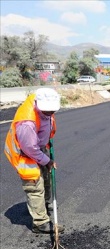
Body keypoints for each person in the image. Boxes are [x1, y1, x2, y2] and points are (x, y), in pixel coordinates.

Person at [4, 88, 65, 234]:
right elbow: (29, 148)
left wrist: (46, 146)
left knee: (46, 178)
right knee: (35, 185)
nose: (51, 114)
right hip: (24, 154)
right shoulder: (26, 124)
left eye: (52, 111)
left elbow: (44, 127)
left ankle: (42, 204)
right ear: (38, 104)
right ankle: (40, 223)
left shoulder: (44, 102)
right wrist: (47, 161)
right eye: (47, 111)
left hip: (37, 147)